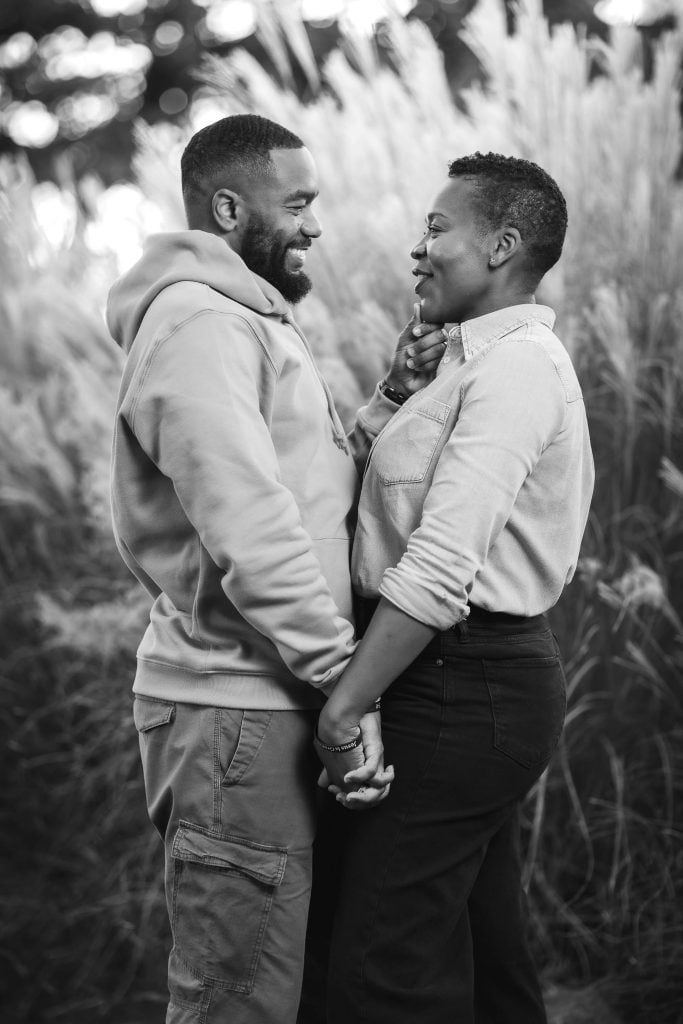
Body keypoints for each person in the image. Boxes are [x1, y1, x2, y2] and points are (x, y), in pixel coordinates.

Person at [106, 113, 443, 1024]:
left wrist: (388, 402)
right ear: (228, 207)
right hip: (233, 716)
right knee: (235, 1002)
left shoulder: (242, 317)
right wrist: (347, 686)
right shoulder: (196, 322)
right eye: (297, 203)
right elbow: (249, 528)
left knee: (276, 990)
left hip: (265, 704)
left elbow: (302, 489)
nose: (314, 225)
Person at [307, 152, 595, 1023]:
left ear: (503, 244)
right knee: (481, 955)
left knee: (376, 971)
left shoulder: (517, 369)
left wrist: (343, 706)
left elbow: (438, 564)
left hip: (463, 687)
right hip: (453, 683)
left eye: (437, 227)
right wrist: (396, 389)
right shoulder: (462, 366)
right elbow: (362, 501)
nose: (416, 248)